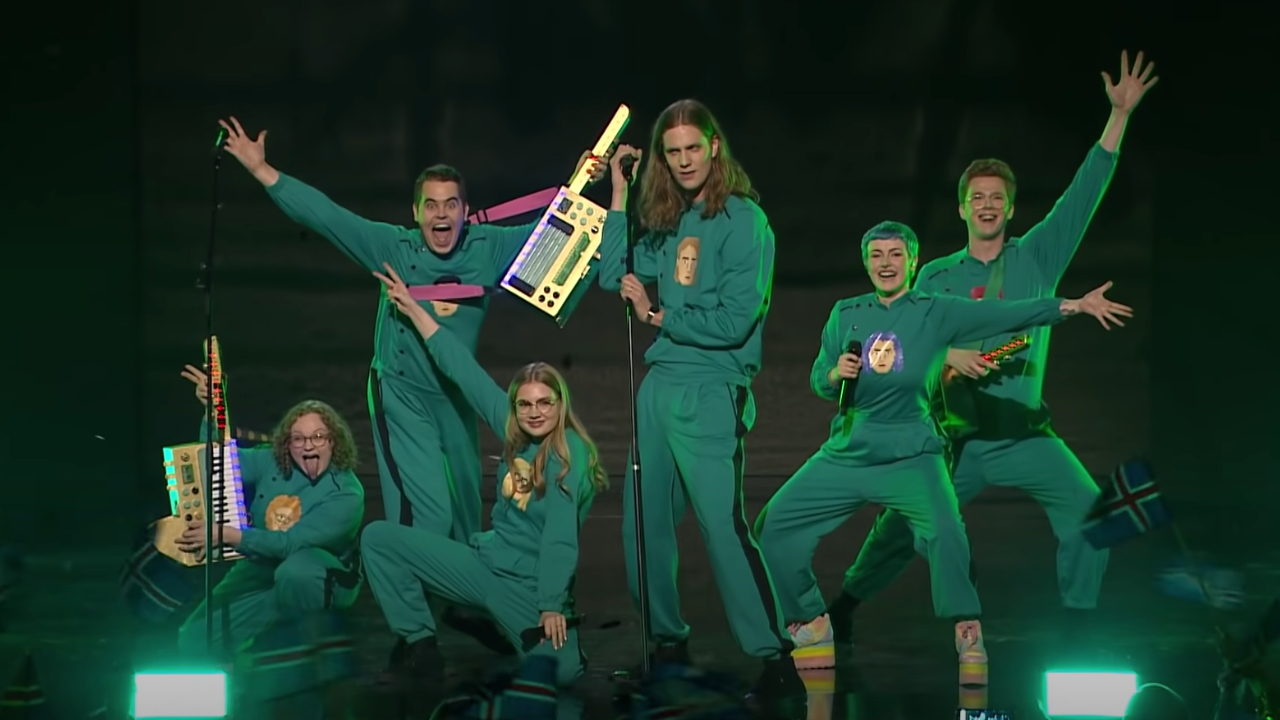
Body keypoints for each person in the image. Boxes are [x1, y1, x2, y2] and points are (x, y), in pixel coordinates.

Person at [215, 117, 603, 658]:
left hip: (455, 393)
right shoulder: (394, 247)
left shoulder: (489, 247)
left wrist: (587, 183)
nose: (441, 215)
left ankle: (464, 607)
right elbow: (329, 218)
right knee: (429, 517)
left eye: (451, 205)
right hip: (401, 395)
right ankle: (412, 637)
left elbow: (556, 229)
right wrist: (263, 171)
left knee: (466, 517)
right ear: (416, 212)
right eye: (431, 205)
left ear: (465, 211)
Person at [832, 51, 1160, 649]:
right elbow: (901, 349)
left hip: (1025, 433)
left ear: (1009, 207)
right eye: (976, 197)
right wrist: (945, 358)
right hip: (956, 439)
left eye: (996, 197)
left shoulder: (1036, 257)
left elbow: (1084, 193)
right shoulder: (934, 276)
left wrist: (1118, 116)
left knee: (1093, 514)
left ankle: (1078, 624)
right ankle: (846, 604)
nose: (986, 204)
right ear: (962, 207)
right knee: (904, 524)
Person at [754, 221, 1133, 671]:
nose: (886, 264)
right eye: (877, 255)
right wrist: (836, 373)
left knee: (946, 533)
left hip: (912, 455)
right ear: (866, 263)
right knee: (774, 525)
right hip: (848, 451)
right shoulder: (846, 313)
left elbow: (1008, 315)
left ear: (913, 262)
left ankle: (967, 629)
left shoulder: (935, 311)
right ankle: (812, 622)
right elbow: (820, 378)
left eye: (896, 254)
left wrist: (1073, 306)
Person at [596, 98, 805, 713]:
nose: (685, 160)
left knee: (722, 527)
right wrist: (618, 194)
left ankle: (776, 660)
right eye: (673, 152)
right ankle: (666, 644)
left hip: (711, 390)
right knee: (642, 527)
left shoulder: (745, 222)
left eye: (694, 148)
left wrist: (659, 315)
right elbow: (613, 274)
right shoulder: (672, 218)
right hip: (659, 387)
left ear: (715, 146)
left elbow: (738, 320)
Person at [359, 264, 608, 696]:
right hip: (485, 565)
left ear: (560, 404)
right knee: (379, 540)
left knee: (563, 676)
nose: (534, 412)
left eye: (544, 403)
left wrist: (551, 605)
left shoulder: (569, 454)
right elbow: (465, 372)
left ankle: (528, 634)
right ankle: (420, 643)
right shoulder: (515, 429)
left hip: (528, 589)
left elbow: (560, 539)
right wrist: (413, 309)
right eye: (525, 404)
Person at [173, 364, 364, 656]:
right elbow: (216, 465)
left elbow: (291, 544)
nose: (308, 446)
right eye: (298, 438)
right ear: (287, 444)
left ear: (333, 441)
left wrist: (228, 535)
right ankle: (252, 648)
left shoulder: (347, 493)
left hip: (315, 577)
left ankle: (299, 643)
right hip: (261, 567)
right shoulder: (271, 462)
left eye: (318, 437)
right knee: (197, 638)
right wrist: (213, 412)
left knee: (294, 572)